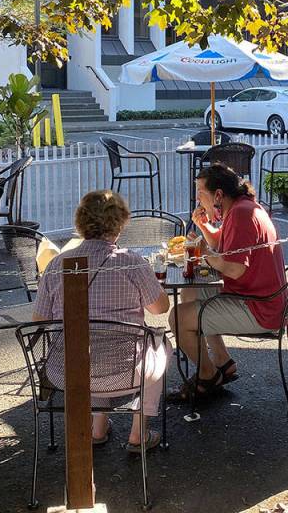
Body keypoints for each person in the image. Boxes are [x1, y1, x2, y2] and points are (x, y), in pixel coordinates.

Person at [33, 190, 171, 451]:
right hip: (127, 373)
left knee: (86, 342)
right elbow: (159, 308)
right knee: (162, 344)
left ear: (80, 222)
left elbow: (38, 320)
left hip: (67, 373)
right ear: (120, 223)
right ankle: (138, 432)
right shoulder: (131, 262)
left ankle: (97, 428)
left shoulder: (57, 264)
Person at [169, 163, 286, 400]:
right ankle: (223, 362)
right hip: (262, 299)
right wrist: (203, 225)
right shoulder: (243, 208)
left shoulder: (242, 215)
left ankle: (208, 376)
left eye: (201, 194)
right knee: (191, 293)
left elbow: (234, 269)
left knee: (177, 318)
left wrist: (205, 253)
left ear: (218, 195)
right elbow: (220, 242)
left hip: (259, 309)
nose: (198, 200)